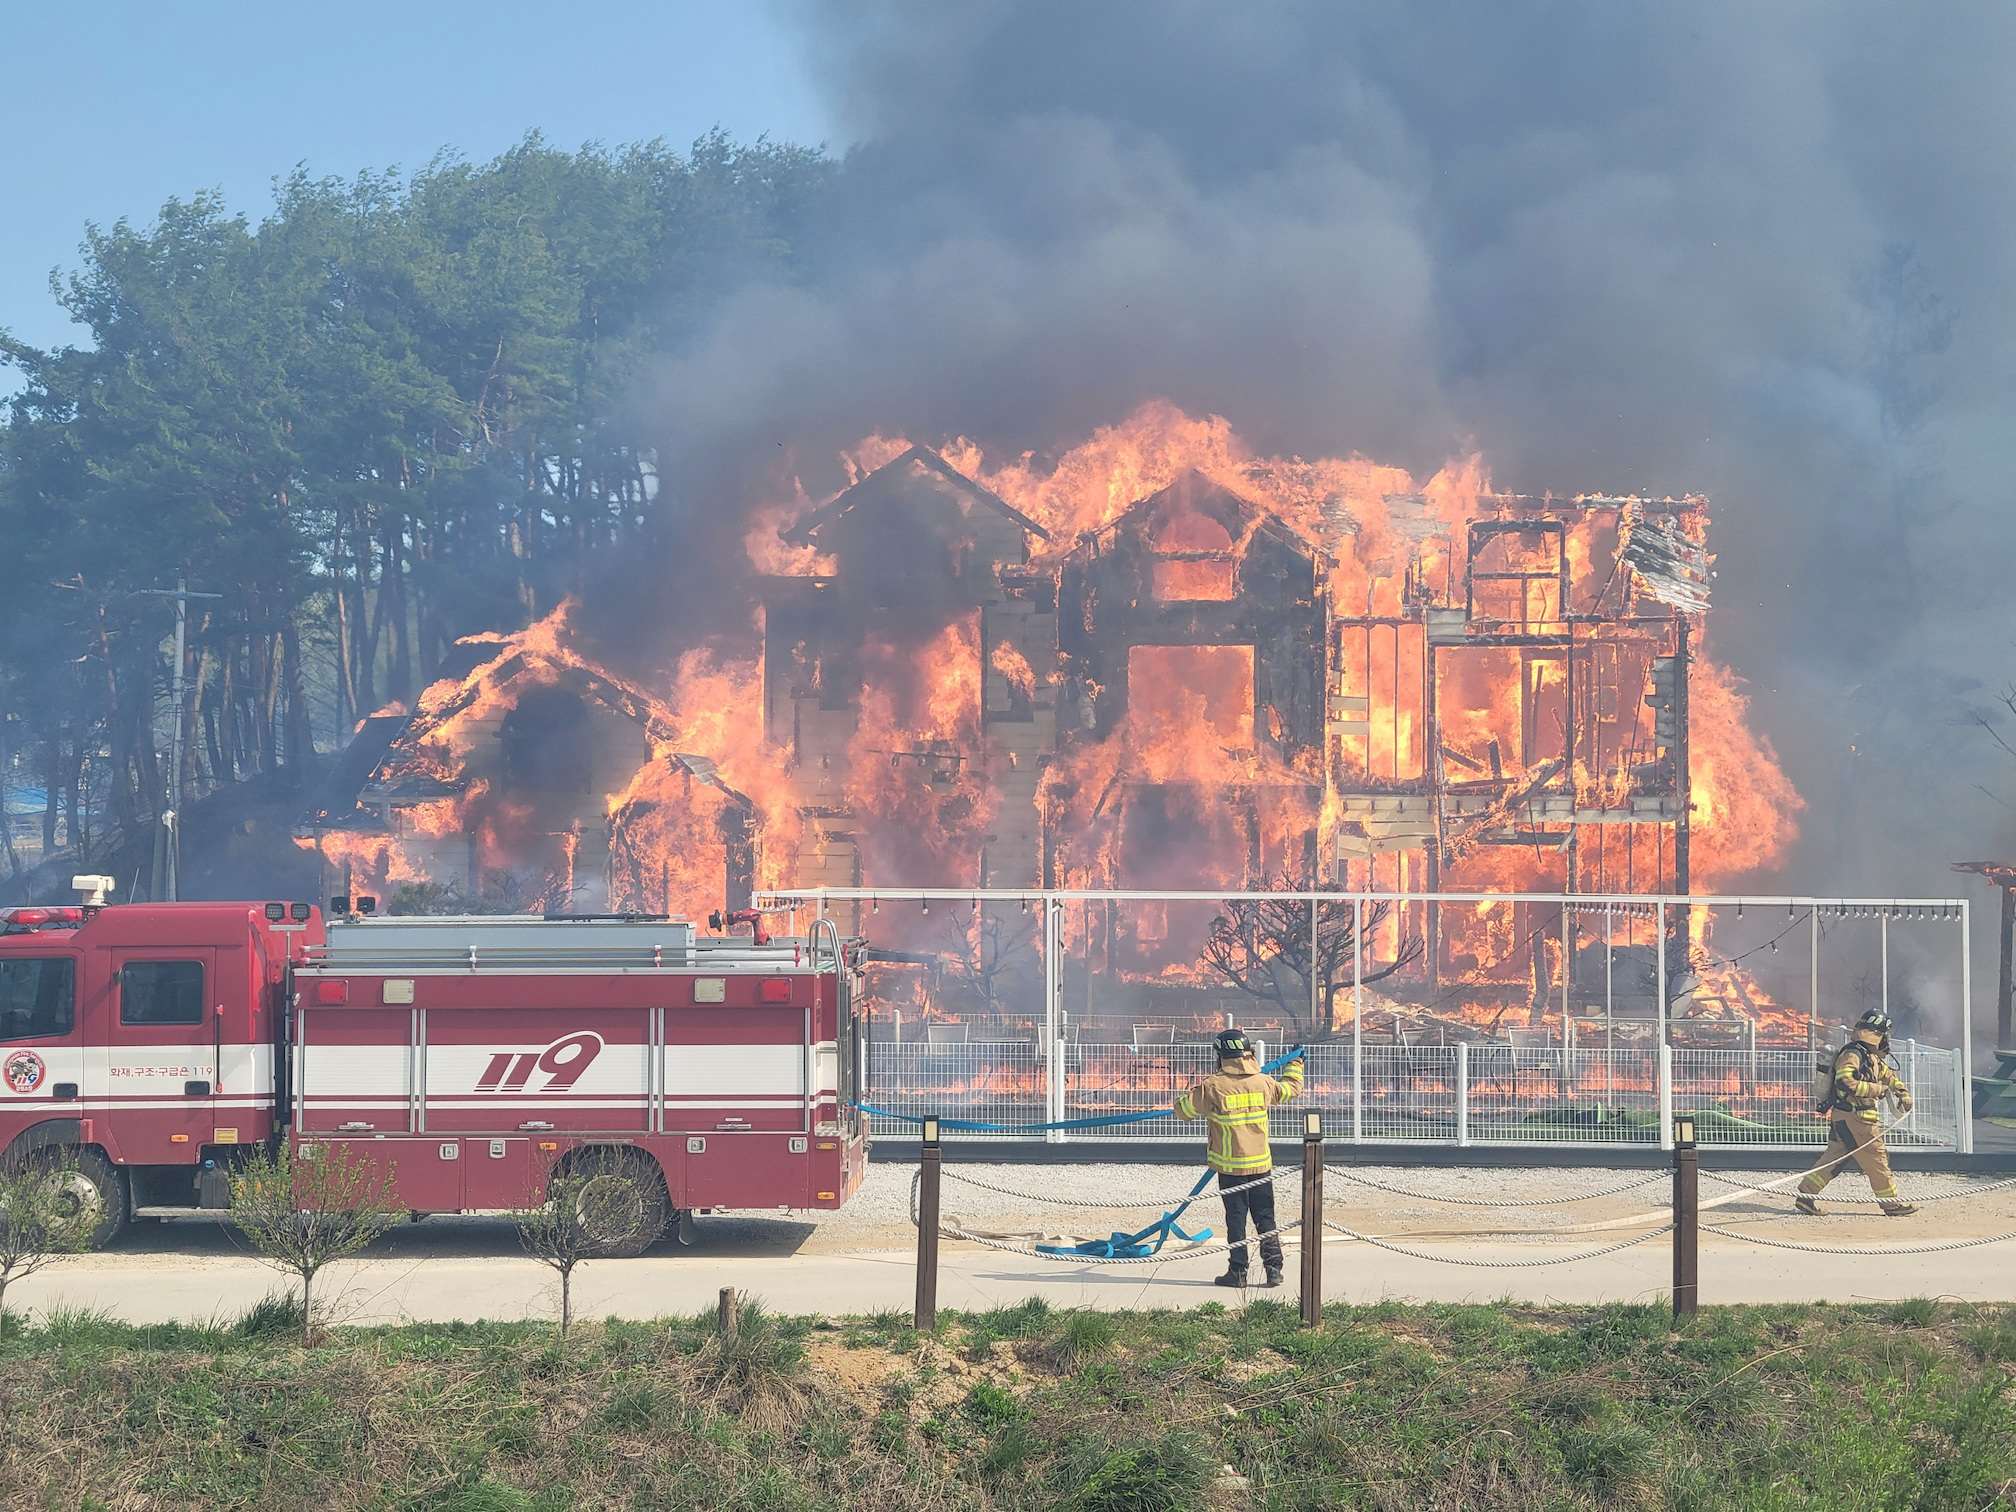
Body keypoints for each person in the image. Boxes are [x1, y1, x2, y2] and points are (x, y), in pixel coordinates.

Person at [1175, 1028, 1306, 1287]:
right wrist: (1296, 1063)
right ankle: (1273, 1269)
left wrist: (1189, 1095)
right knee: (1265, 1216)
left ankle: (1237, 1272)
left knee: (1236, 1220)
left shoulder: (1213, 1086)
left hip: (1230, 1168)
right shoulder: (1263, 1082)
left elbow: (1184, 1110)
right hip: (1260, 1165)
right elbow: (1291, 1089)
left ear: (1221, 1055)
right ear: (1249, 1053)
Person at [1797, 1009, 1918, 1217]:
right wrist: (1877, 1090)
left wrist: (1903, 1093)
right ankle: (1891, 1204)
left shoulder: (1870, 1056)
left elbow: (1889, 1076)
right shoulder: (1853, 1054)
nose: (1886, 1039)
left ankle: (1805, 1196)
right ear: (1877, 1034)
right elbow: (1846, 1082)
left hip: (1848, 1117)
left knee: (1834, 1158)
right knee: (1876, 1159)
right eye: (1885, 1034)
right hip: (1857, 1119)